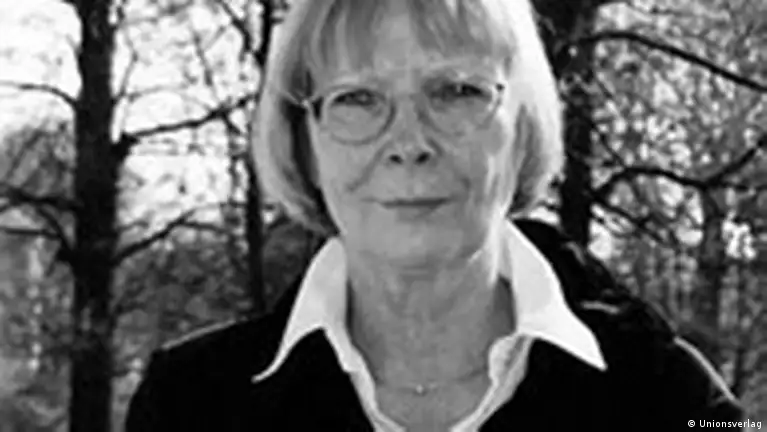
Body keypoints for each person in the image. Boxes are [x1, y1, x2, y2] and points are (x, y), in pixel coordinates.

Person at [125, 0, 744, 430]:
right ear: (304, 142)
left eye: (456, 91)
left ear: (522, 127)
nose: (409, 143)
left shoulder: (673, 396)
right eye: (357, 98)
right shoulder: (190, 403)